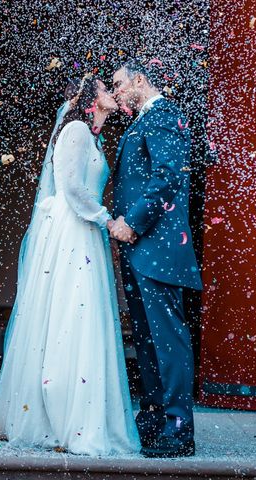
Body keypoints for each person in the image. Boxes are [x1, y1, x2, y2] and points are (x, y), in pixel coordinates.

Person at [0, 73, 140, 456]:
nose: (111, 93)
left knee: (85, 316)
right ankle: (58, 417)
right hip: (72, 229)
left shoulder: (93, 135)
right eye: (104, 88)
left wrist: (100, 219)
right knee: (69, 313)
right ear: (89, 99)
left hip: (87, 230)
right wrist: (107, 220)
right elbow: (72, 188)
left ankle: (78, 413)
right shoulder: (76, 129)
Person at [110, 59, 204, 458]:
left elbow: (168, 176)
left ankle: (179, 428)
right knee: (147, 342)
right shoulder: (139, 122)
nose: (115, 93)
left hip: (159, 248)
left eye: (118, 85)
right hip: (139, 250)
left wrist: (132, 222)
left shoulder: (165, 115)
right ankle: (154, 418)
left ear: (139, 80)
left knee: (168, 341)